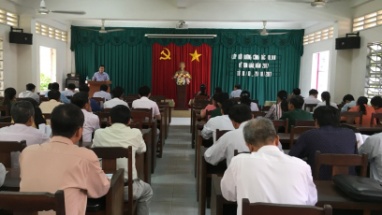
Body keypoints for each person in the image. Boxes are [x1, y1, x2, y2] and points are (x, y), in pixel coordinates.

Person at [19, 104, 110, 215]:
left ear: (51, 126)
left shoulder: (28, 152)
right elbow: (100, 190)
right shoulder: (85, 156)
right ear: (79, 131)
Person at [221, 118, 317, 215]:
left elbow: (228, 194)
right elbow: (311, 201)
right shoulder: (301, 166)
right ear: (276, 140)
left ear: (249, 146)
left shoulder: (238, 161)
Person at [92, 105, 153, 215]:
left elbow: (93, 149)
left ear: (110, 120)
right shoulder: (135, 133)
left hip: (100, 188)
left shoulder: (98, 133)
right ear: (129, 120)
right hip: (126, 190)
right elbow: (142, 150)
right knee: (147, 191)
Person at [289, 106, 357, 180]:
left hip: (317, 183)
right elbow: (356, 157)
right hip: (348, 184)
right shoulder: (350, 133)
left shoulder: (309, 135)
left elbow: (292, 157)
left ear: (316, 121)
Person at [0, 101, 50, 168]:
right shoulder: (39, 135)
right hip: (28, 173)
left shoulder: (1, 131)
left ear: (12, 117)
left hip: (3, 173)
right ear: (31, 119)